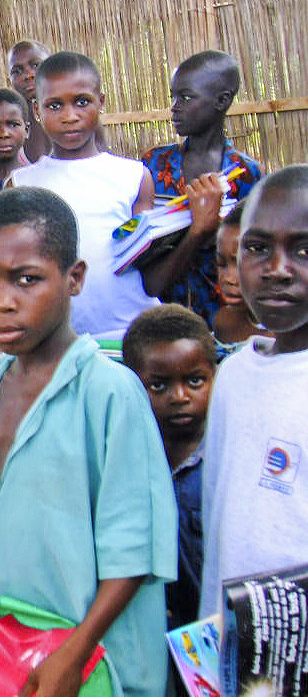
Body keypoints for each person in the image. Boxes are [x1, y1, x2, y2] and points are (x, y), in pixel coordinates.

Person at [0, 187, 177, 697]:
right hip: (10, 650)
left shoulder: (108, 392)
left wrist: (74, 653)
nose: (2, 301)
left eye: (27, 279)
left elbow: (134, 550)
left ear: (74, 279)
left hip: (95, 663)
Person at [199, 166, 308, 619]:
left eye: (303, 249)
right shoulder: (235, 376)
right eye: (257, 248)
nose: (277, 270)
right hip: (231, 650)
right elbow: (217, 523)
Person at [10, 52, 159, 339]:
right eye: (55, 105)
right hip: (60, 342)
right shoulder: (21, 185)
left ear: (100, 102)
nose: (70, 116)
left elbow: (148, 264)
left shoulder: (134, 176)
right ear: (37, 110)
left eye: (81, 102)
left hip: (131, 334)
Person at [142, 50, 262, 324]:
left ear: (222, 101)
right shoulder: (153, 166)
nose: (174, 106)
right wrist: (197, 231)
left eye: (186, 97)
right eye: (173, 96)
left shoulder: (246, 175)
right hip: (164, 320)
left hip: (230, 322)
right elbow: (146, 268)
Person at [123, 304, 216, 629]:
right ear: (133, 382)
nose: (179, 396)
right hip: (150, 630)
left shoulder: (222, 459)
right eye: (159, 385)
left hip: (210, 625)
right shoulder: (126, 460)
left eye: (195, 381)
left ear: (214, 374)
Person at [212, 201, 271, 352]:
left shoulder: (298, 338)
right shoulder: (225, 323)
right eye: (221, 263)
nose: (228, 279)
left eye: (240, 264)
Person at [7, 40, 52, 163]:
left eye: (36, 66)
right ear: (9, 80)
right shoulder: (8, 133)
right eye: (17, 71)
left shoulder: (74, 120)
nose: (28, 75)